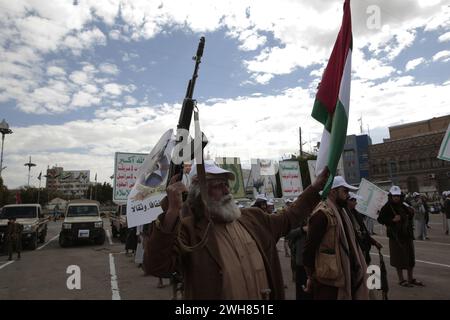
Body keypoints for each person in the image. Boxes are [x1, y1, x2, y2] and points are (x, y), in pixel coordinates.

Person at [144, 160, 328, 299]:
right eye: (217, 185)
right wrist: (172, 213)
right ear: (199, 194)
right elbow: (157, 266)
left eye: (226, 184)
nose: (226, 190)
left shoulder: (254, 218)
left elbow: (290, 217)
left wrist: (315, 188)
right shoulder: (189, 231)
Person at [303, 176, 369, 300]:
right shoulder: (321, 215)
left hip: (347, 274)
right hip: (329, 281)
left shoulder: (342, 212)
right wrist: (311, 277)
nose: (348, 195)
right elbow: (308, 252)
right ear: (333, 191)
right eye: (345, 191)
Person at [377, 186, 424, 287]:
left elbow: (409, 216)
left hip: (407, 235)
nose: (396, 198)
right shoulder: (387, 207)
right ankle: (401, 279)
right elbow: (380, 219)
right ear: (390, 196)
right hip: (395, 237)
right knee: (398, 259)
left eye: (398, 195)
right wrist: (392, 220)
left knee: (410, 258)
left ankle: (410, 278)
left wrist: (411, 214)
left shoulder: (404, 205)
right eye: (394, 196)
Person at [345, 192, 382, 265]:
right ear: (348, 201)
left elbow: (364, 231)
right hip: (353, 249)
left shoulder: (357, 214)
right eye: (353, 200)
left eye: (355, 201)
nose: (356, 203)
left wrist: (374, 242)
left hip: (363, 246)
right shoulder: (344, 216)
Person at [286, 218, 310, 300]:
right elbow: (288, 234)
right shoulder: (296, 218)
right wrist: (302, 229)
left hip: (313, 262)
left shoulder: (317, 215)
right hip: (300, 261)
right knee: (301, 288)